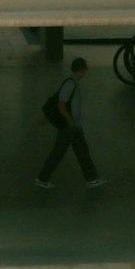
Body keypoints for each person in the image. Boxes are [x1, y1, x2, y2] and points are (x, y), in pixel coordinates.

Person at [36, 58, 105, 189]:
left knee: (81, 152)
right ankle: (42, 178)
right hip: (70, 127)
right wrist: (71, 121)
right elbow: (61, 104)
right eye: (83, 71)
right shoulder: (70, 84)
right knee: (61, 153)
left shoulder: (71, 82)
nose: (84, 74)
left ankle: (92, 179)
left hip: (73, 127)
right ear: (79, 70)